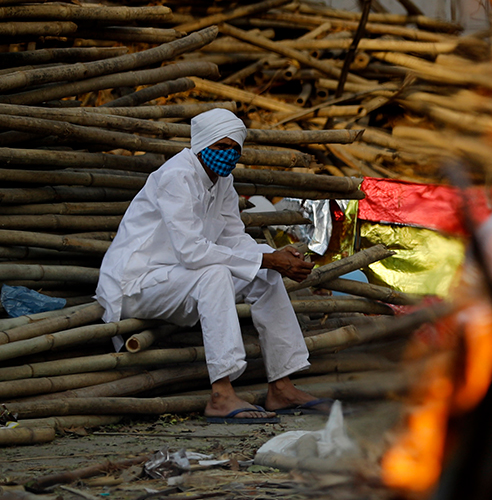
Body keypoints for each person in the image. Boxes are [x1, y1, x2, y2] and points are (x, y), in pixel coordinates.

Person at [96, 108, 331, 423]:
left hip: (181, 281)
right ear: (202, 144)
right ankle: (221, 394)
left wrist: (276, 257)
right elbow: (192, 252)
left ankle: (282, 386)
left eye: (235, 149)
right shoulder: (176, 176)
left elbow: (235, 238)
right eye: (221, 147)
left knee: (266, 275)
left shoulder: (222, 182)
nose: (229, 155)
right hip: (138, 285)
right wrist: (265, 258)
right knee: (217, 273)